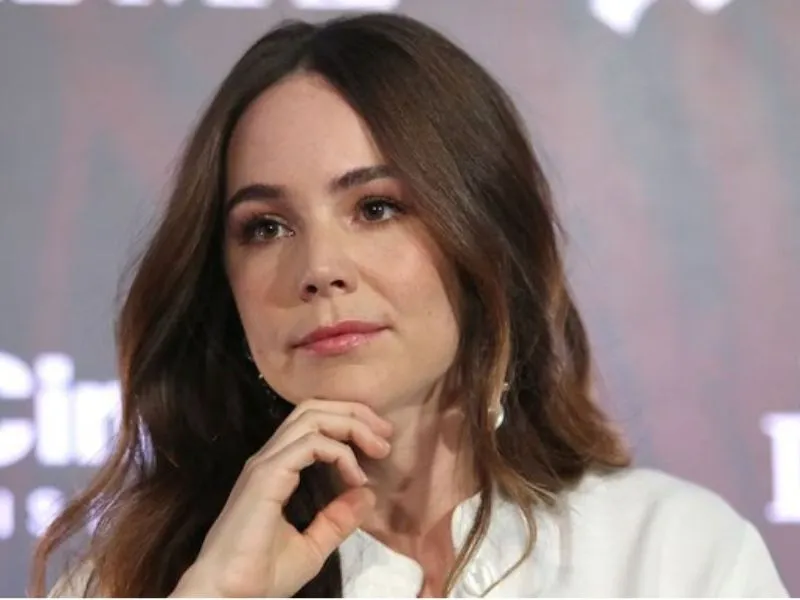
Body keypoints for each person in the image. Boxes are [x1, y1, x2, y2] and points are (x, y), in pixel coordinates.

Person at [32, 12, 787, 598]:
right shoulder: (131, 582)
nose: (319, 269)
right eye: (266, 227)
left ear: (483, 235)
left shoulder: (670, 556)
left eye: (377, 208)